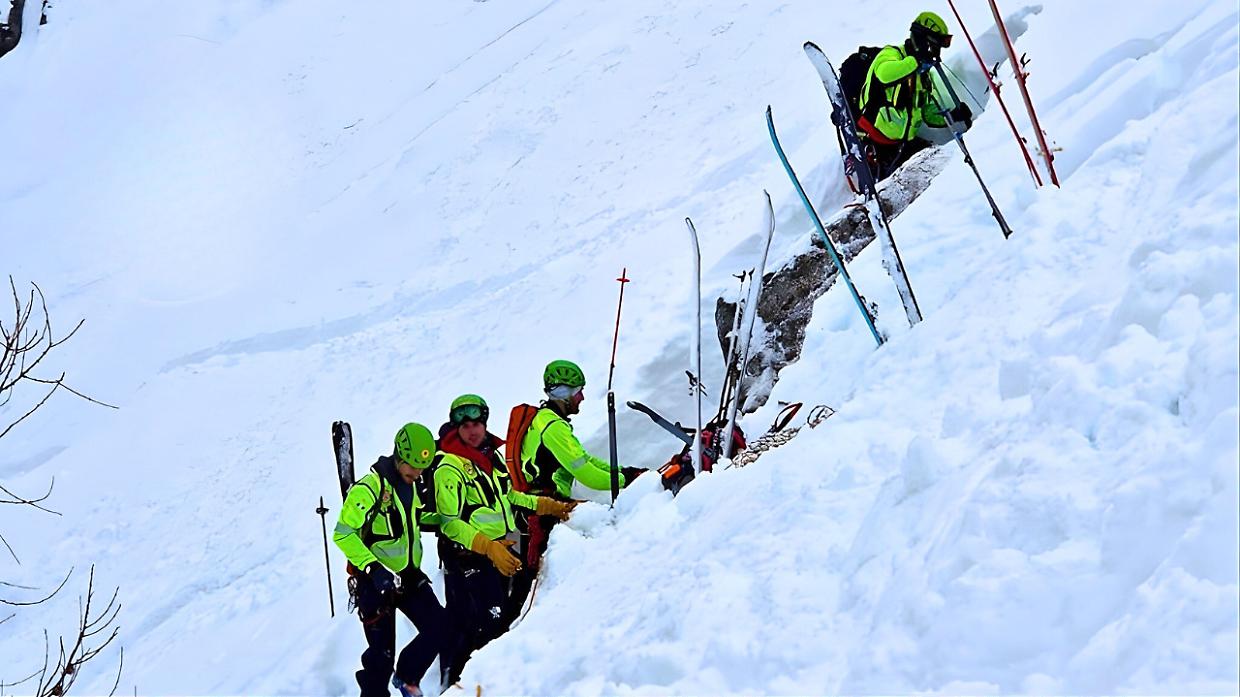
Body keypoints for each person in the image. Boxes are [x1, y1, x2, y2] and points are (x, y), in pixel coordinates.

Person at [432, 394, 574, 682]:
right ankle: (459, 681)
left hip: (505, 542)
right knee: (478, 623)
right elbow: (450, 524)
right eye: (466, 425)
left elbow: (507, 495)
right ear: (455, 427)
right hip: (470, 555)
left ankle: (491, 677)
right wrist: (490, 547)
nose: (472, 430)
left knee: (506, 608)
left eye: (477, 423)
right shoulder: (449, 467)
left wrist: (547, 506)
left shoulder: (490, 454)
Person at [505, 360, 644, 619]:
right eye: (578, 390)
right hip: (541, 512)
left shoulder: (548, 421)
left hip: (534, 509)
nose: (582, 397)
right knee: (529, 585)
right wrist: (626, 479)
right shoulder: (553, 428)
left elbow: (585, 461)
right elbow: (587, 474)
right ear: (563, 393)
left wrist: (624, 471)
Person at [334, 423, 455, 697]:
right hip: (375, 585)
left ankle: (407, 677)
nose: (418, 473)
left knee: (439, 626)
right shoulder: (370, 488)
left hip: (407, 576)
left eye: (422, 468)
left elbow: (410, 520)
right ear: (399, 455)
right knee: (380, 659)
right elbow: (343, 534)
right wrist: (373, 568)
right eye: (413, 466)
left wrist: (443, 522)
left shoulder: (410, 486)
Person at [857, 11, 973, 180]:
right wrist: (915, 60)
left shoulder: (923, 76)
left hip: (902, 144)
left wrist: (952, 115)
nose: (935, 53)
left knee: (938, 166)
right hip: (875, 141)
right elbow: (884, 74)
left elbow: (925, 113)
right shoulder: (892, 55)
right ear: (921, 41)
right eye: (933, 47)